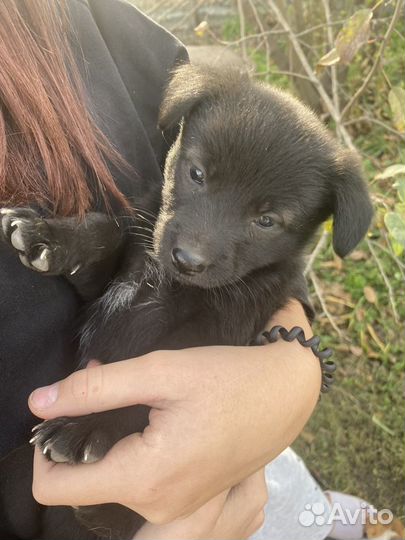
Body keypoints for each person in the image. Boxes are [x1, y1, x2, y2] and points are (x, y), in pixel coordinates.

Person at [0, 0, 321, 538]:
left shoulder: (89, 24)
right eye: (196, 175)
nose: (193, 249)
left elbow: (279, 242)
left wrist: (295, 367)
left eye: (264, 218)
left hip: (218, 466)